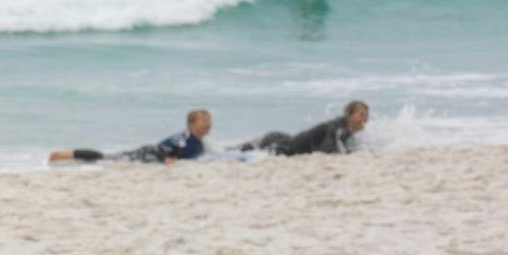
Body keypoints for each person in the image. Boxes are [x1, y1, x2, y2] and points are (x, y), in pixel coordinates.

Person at [49, 108, 211, 165]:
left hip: (150, 157)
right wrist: (167, 161)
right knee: (107, 158)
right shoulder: (183, 138)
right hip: (146, 154)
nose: (207, 125)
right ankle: (61, 154)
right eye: (203, 122)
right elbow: (157, 149)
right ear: (190, 124)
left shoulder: (198, 141)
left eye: (208, 121)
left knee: (109, 158)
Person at [243, 99, 369, 156]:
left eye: (366, 115)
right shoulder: (336, 128)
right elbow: (327, 151)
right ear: (349, 115)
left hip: (283, 139)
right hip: (280, 144)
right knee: (245, 149)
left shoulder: (344, 130)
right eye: (361, 115)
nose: (365, 119)